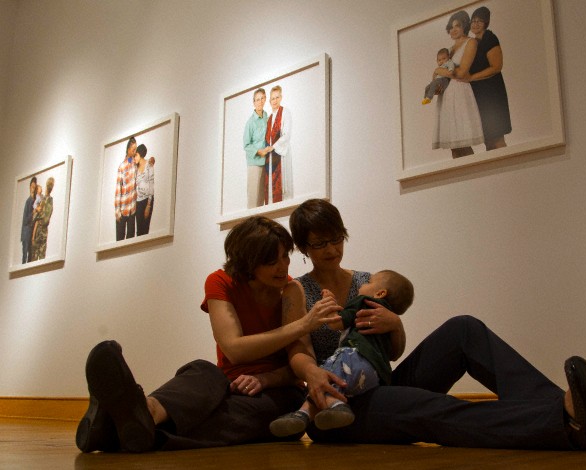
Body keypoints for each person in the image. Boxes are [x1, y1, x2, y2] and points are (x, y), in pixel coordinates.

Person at [284, 198, 586, 451]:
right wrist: (314, 375)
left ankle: (568, 409)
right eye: (319, 243)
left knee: (463, 328)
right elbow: (298, 352)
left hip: (377, 381)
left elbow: (392, 353)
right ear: (303, 247)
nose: (332, 249)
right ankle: (562, 422)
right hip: (334, 404)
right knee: (434, 409)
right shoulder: (298, 290)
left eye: (337, 239)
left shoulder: (367, 281)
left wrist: (395, 325)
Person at [75, 215, 342, 453]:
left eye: (285, 256)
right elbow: (234, 350)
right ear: (248, 262)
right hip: (227, 384)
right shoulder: (221, 281)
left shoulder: (290, 290)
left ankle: (116, 430)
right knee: (203, 371)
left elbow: (297, 364)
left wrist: (264, 379)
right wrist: (304, 324)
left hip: (278, 390)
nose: (282, 267)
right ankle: (149, 410)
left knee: (236, 415)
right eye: (271, 261)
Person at [270, 269, 414, 437]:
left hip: (355, 359)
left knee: (328, 371)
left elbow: (336, 323)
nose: (364, 284)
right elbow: (393, 354)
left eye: (369, 283)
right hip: (377, 376)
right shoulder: (386, 314)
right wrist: (395, 324)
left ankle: (322, 409)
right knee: (328, 378)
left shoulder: (364, 301)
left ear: (380, 293)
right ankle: (305, 414)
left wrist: (329, 302)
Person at [432, 11, 484, 159]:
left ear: (464, 26)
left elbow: (461, 72)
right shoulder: (448, 50)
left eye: (457, 26)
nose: (453, 30)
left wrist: (438, 70)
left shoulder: (471, 42)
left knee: (463, 142)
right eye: (451, 27)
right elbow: (441, 74)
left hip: (460, 94)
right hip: (447, 96)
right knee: (453, 146)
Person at [466, 6, 512, 150]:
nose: (475, 24)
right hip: (480, 95)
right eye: (473, 21)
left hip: (492, 94)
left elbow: (496, 66)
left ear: (486, 22)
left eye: (479, 21)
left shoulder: (490, 38)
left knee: (497, 137)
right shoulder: (473, 42)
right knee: (488, 139)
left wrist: (472, 77)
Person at [264, 85, 293, 204]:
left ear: (281, 97)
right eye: (272, 98)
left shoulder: (285, 112)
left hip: (281, 154)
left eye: (277, 97)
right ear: (269, 101)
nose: (275, 101)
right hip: (270, 157)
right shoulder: (269, 118)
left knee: (283, 187)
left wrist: (274, 147)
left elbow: (286, 134)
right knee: (271, 188)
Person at [243, 88, 270, 208]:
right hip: (254, 163)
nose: (260, 102)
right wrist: (259, 152)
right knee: (253, 200)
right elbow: (246, 145)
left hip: (266, 163)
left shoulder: (266, 117)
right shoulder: (250, 122)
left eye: (262, 98)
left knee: (262, 199)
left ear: (265, 99)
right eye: (257, 100)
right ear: (254, 102)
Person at [30, 177, 54, 261]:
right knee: (40, 256)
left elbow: (37, 217)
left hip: (40, 229)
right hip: (43, 230)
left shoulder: (45, 200)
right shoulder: (49, 200)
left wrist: (36, 213)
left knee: (36, 255)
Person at [134, 144, 154, 236]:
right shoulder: (135, 167)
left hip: (147, 200)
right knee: (139, 231)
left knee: (145, 228)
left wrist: (148, 205)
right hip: (138, 201)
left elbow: (151, 183)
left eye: (136, 155)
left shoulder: (149, 164)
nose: (134, 158)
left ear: (140, 154)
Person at [21, 177, 37, 264]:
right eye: (32, 187)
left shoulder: (34, 201)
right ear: (30, 187)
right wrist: (33, 212)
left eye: (34, 187)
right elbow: (25, 220)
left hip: (30, 233)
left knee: (30, 256)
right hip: (26, 233)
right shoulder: (28, 201)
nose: (33, 189)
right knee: (25, 256)